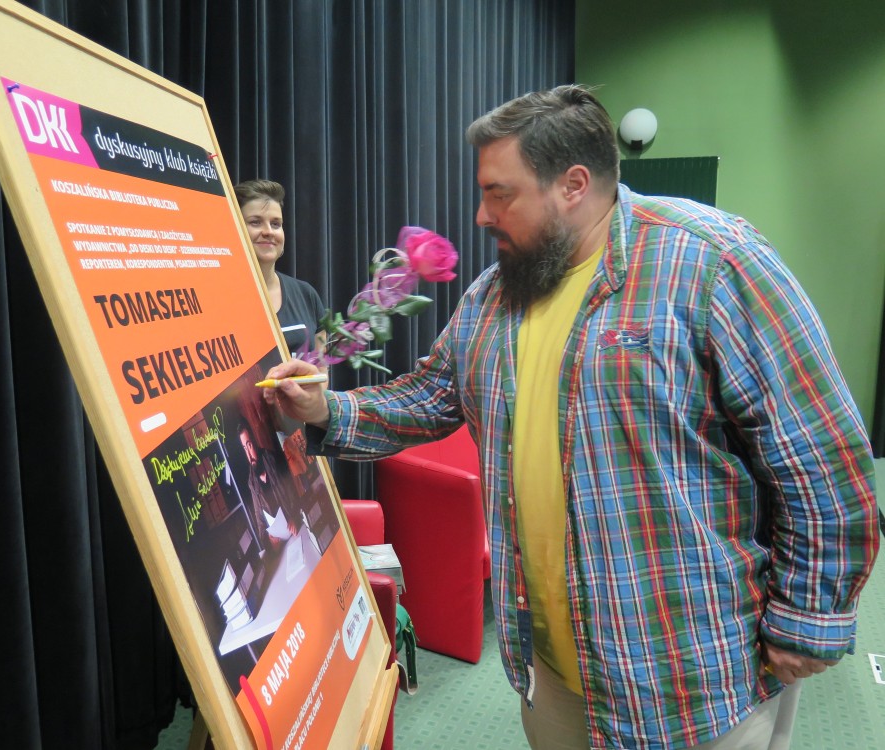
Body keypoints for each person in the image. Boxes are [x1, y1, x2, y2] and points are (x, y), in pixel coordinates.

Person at [260, 85, 881, 750]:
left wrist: (810, 615)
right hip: (550, 670)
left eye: (500, 194)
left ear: (573, 185)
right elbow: (433, 395)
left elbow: (820, 456)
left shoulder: (712, 260)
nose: (481, 215)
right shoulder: (495, 293)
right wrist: (326, 408)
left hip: (689, 678)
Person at [234, 179, 327, 362]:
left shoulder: (306, 294)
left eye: (276, 224)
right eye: (255, 222)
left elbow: (321, 369)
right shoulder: (216, 299)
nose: (268, 231)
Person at [237, 419, 300, 550]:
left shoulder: (272, 459)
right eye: (244, 448)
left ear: (254, 442)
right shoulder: (251, 482)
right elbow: (259, 518)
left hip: (295, 530)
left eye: (249, 445)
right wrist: (268, 537)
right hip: (281, 545)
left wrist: (293, 516)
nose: (249, 454)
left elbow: (292, 491)